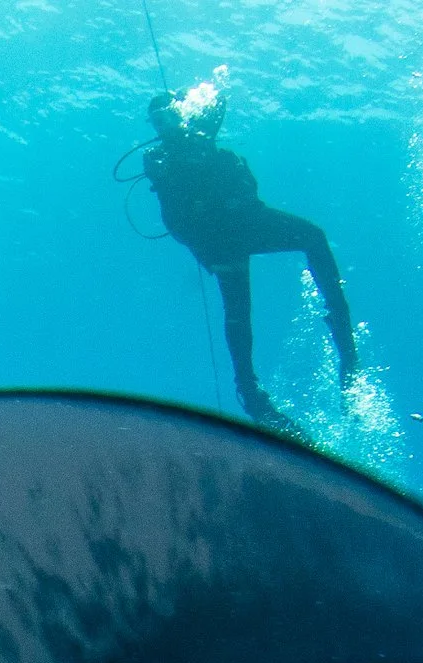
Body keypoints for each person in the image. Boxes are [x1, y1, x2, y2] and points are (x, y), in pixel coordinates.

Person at [140, 75, 359, 428]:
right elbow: (175, 214)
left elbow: (219, 101)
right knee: (239, 311)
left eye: (168, 116)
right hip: (219, 242)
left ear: (182, 112)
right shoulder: (160, 158)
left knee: (313, 237)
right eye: (156, 122)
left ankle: (345, 344)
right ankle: (250, 391)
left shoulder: (201, 133)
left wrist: (192, 105)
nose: (163, 126)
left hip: (246, 223)